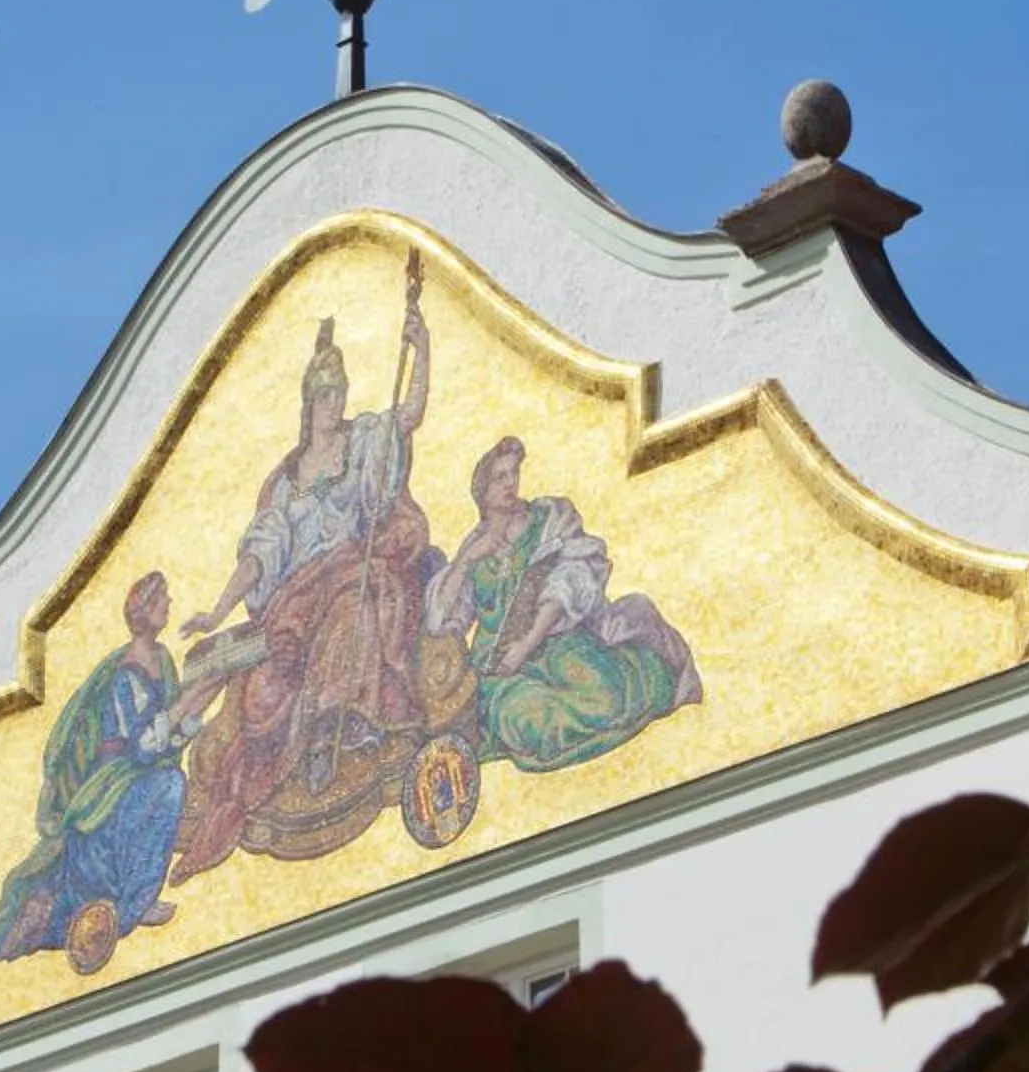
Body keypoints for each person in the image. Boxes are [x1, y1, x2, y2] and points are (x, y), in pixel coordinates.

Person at [168, 253, 436, 880]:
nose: (332, 402)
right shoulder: (287, 482)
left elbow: (410, 416)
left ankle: (343, 730)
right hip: (293, 598)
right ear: (307, 402)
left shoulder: (364, 441)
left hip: (352, 571)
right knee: (234, 662)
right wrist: (219, 607)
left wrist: (420, 351)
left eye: (339, 392)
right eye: (322, 395)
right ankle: (201, 746)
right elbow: (260, 556)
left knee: (353, 607)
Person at [0, 572, 191, 976]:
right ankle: (134, 904)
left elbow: (167, 733)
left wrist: (192, 715)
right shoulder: (125, 672)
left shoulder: (163, 660)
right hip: (113, 779)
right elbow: (141, 746)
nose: (170, 604)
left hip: (141, 766)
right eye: (163, 599)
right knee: (170, 786)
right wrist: (190, 706)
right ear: (145, 611)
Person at [422, 436, 703, 774]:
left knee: (607, 698)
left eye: (514, 473)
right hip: (500, 669)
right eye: (500, 477)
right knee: (527, 723)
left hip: (555, 642)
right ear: (481, 488)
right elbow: (440, 621)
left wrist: (526, 644)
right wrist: (467, 560)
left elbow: (572, 577)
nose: (511, 483)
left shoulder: (549, 520)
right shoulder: (474, 547)